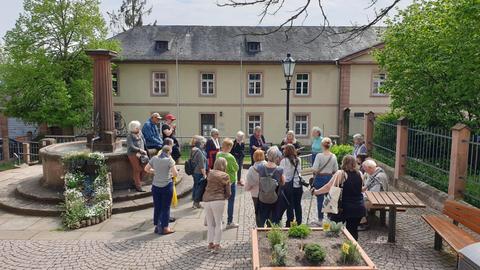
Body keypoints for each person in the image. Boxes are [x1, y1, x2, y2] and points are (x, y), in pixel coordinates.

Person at [312, 155, 366, 240]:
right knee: (353, 231)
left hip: (343, 208)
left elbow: (328, 187)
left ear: (343, 163)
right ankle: (352, 250)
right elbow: (361, 189)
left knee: (333, 229)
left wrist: (316, 192)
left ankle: (333, 247)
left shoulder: (341, 173)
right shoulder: (360, 174)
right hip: (358, 207)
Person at [145, 145, 177, 235]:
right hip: (167, 185)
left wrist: (154, 171)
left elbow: (146, 169)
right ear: (169, 152)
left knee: (157, 207)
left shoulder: (154, 158)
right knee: (166, 207)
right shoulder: (169, 160)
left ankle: (157, 226)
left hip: (155, 186)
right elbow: (175, 173)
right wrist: (170, 175)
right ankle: (165, 228)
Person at [203, 157, 231, 253]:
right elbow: (228, 192)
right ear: (224, 165)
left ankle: (210, 244)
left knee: (210, 224)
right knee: (218, 223)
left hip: (206, 200)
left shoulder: (210, 173)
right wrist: (225, 197)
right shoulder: (225, 175)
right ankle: (217, 246)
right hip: (218, 200)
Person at [255, 146, 285, 227]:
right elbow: (283, 183)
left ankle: (260, 232)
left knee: (261, 217)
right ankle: (270, 232)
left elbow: (258, 181)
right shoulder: (279, 170)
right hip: (274, 197)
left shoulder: (260, 167)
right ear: (277, 157)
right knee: (273, 219)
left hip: (262, 196)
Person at [311, 137, 338, 223]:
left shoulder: (319, 156)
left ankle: (320, 219)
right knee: (330, 199)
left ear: (322, 145)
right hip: (330, 178)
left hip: (320, 178)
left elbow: (314, 169)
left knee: (320, 199)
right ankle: (330, 218)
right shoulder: (333, 156)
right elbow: (336, 170)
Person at [277, 144, 304, 227]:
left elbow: (281, 173)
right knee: (298, 205)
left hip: (288, 186)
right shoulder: (298, 160)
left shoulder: (284, 161)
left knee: (290, 205)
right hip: (298, 186)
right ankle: (299, 222)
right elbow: (300, 171)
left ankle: (290, 222)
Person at [216, 138, 240, 228]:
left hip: (220, 179)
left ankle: (220, 219)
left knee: (221, 200)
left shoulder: (218, 154)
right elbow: (237, 168)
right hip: (230, 181)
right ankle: (229, 222)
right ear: (229, 147)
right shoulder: (230, 157)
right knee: (231, 201)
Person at [245, 149, 267, 225]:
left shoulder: (252, 169)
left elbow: (249, 182)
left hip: (255, 193)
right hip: (267, 192)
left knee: (257, 210)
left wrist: (247, 188)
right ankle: (269, 225)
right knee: (267, 209)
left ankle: (260, 226)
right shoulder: (268, 166)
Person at [126, 120, 148, 192]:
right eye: (137, 127)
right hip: (133, 154)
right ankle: (138, 186)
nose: (139, 128)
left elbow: (143, 142)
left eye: (138, 127)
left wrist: (145, 151)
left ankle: (136, 182)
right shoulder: (129, 136)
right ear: (133, 128)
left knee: (145, 168)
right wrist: (140, 150)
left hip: (141, 154)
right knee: (137, 169)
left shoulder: (140, 133)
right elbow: (131, 146)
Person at [190, 135, 208, 209]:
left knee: (195, 186)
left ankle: (194, 200)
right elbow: (201, 165)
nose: (204, 145)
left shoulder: (193, 149)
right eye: (203, 143)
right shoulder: (199, 152)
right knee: (199, 188)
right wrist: (204, 175)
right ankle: (196, 203)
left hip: (194, 171)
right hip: (199, 172)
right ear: (200, 143)